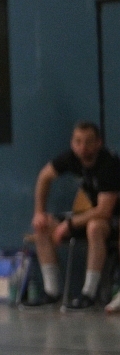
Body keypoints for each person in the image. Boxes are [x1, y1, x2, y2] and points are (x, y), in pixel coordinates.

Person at [26, 121, 120, 311]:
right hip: (91, 215)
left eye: (88, 142)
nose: (82, 148)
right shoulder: (71, 158)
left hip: (112, 219)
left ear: (98, 143)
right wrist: (39, 212)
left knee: (94, 227)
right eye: (78, 142)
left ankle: (88, 293)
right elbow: (44, 177)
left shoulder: (109, 165)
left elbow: (104, 210)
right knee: (43, 225)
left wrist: (69, 225)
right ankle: (51, 291)